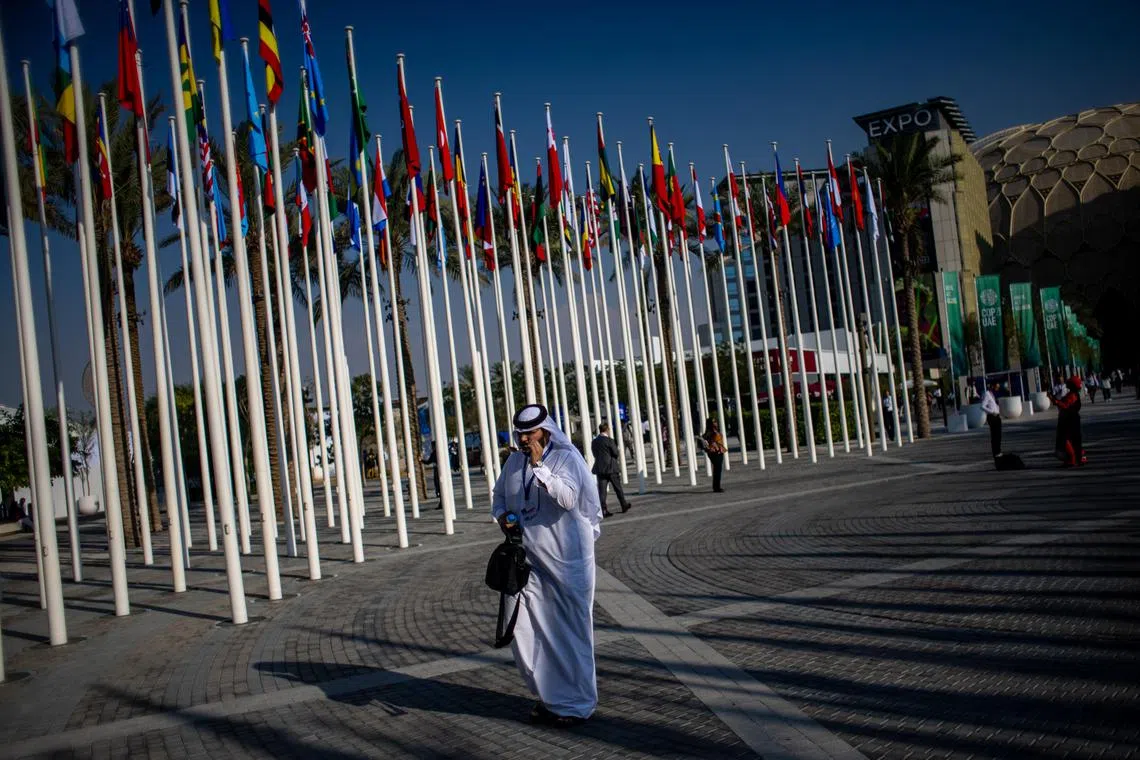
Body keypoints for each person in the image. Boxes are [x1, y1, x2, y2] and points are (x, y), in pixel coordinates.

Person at [491, 404, 601, 726]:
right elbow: (499, 497)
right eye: (521, 434)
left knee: (570, 635)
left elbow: (568, 499)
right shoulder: (512, 462)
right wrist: (503, 517)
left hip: (568, 563)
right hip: (529, 561)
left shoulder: (568, 458)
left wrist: (541, 469)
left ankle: (577, 704)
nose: (525, 439)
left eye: (532, 433)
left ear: (546, 431)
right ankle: (551, 696)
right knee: (524, 629)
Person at [591, 423, 630, 518]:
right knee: (618, 488)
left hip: (600, 468)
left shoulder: (594, 442)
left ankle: (603, 509)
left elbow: (594, 453)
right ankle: (623, 505)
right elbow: (615, 453)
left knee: (602, 491)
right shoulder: (609, 440)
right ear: (607, 430)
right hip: (611, 468)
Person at [1053, 376, 1086, 467]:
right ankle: (1080, 457)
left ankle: (1072, 459)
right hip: (1073, 419)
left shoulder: (1072, 395)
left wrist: (1055, 401)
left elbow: (1065, 405)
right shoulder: (1075, 394)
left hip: (1068, 420)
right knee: (1075, 440)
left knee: (1065, 439)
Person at [702, 419, 726, 493]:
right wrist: (710, 447)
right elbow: (705, 442)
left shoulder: (716, 431)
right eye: (714, 422)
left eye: (716, 421)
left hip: (720, 451)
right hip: (714, 452)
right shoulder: (709, 433)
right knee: (717, 469)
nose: (716, 423)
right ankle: (716, 487)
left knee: (718, 469)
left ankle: (716, 486)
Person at [981, 381, 1002, 458]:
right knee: (995, 435)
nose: (997, 388)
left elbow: (993, 405)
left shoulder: (992, 394)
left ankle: (998, 451)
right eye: (996, 387)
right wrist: (992, 412)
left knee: (998, 435)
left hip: (997, 416)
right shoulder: (987, 394)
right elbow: (982, 406)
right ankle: (996, 452)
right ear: (992, 386)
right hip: (992, 417)